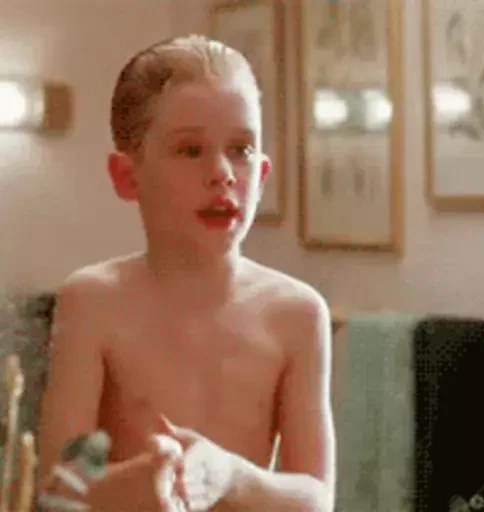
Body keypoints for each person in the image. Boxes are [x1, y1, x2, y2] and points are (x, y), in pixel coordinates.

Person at [38, 34, 336, 511]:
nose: (221, 173)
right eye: (191, 150)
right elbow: (58, 491)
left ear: (261, 176)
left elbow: (317, 499)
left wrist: (229, 475)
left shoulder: (296, 314)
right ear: (127, 177)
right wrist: (147, 479)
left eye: (240, 149)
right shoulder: (93, 303)